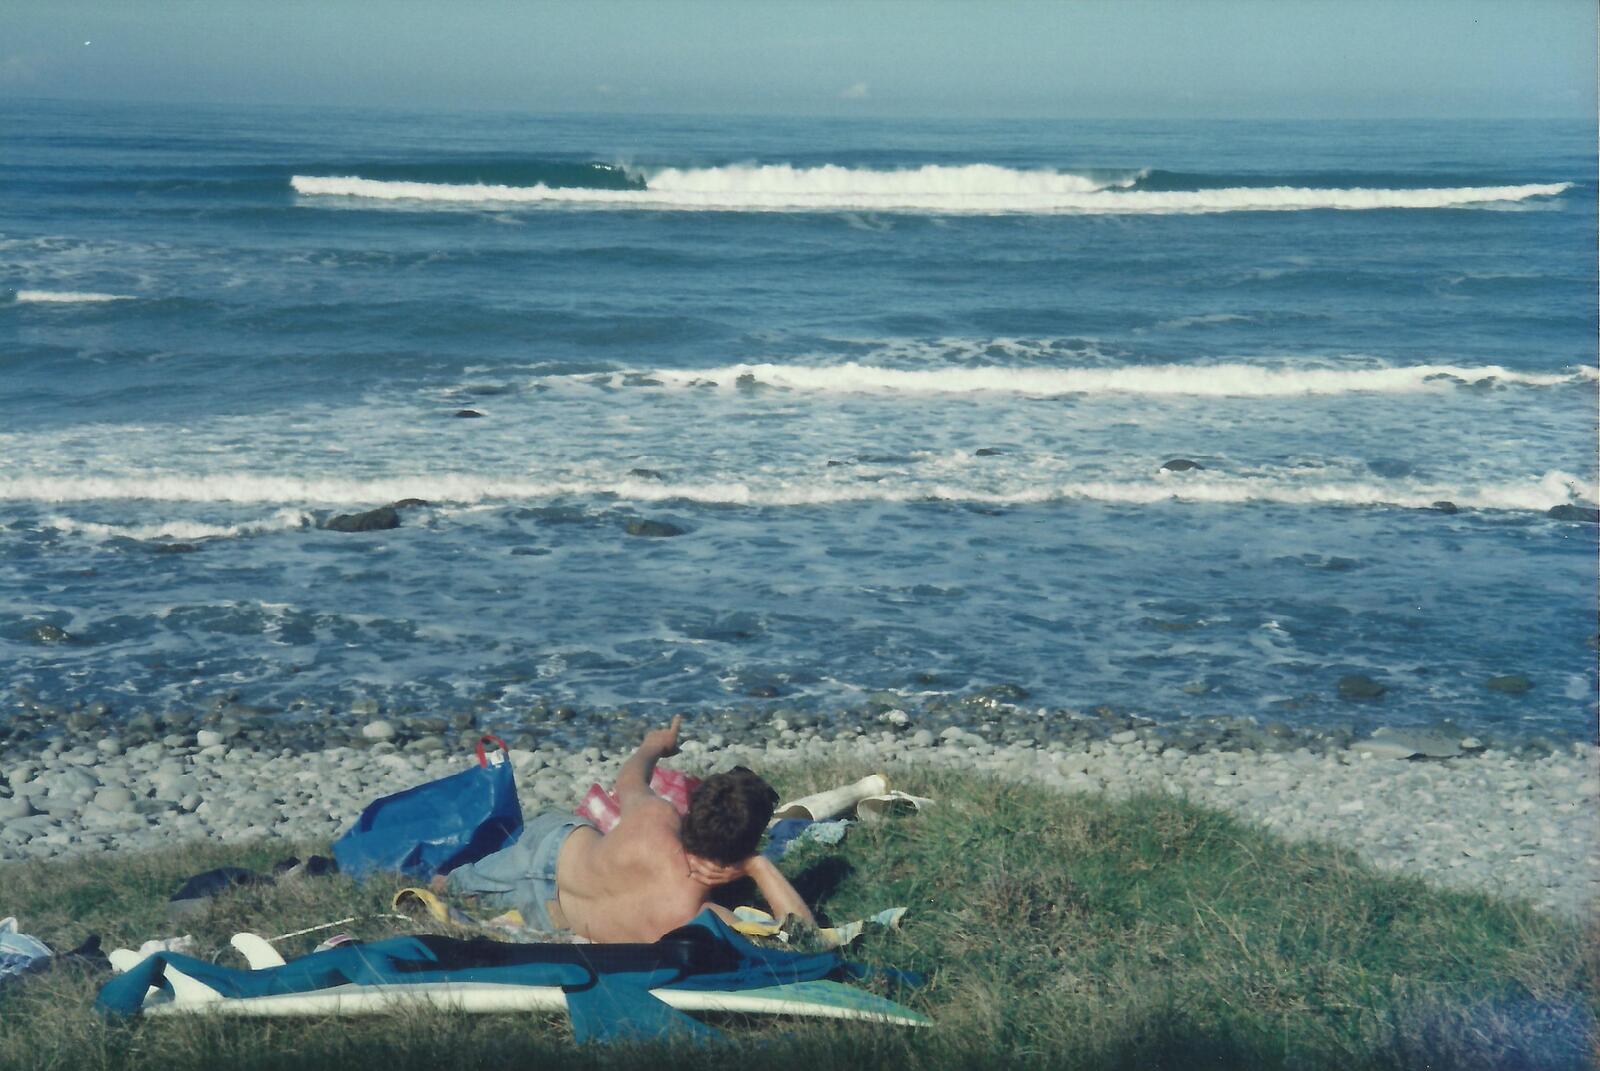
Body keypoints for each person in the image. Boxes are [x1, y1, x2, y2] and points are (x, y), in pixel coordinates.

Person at [438, 715, 816, 943]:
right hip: (549, 912)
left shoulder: (655, 818)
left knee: (452, 885)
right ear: (743, 848)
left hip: (552, 846)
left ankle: (449, 881)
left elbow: (630, 778)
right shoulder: (697, 917)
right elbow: (802, 936)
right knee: (461, 893)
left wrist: (654, 746)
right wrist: (758, 865)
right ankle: (453, 886)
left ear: (693, 808)